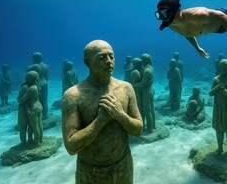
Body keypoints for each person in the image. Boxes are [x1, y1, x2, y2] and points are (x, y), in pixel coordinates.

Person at [62, 40, 143, 184]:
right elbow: (71, 146)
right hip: (90, 174)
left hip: (124, 167)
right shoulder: (73, 96)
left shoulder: (126, 88)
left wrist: (120, 115)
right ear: (87, 62)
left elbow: (138, 130)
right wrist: (100, 121)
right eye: (101, 57)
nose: (108, 61)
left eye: (111, 56)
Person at [209, 59, 227, 159]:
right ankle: (220, 148)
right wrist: (218, 87)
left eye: (225, 67)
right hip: (218, 108)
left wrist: (223, 89)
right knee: (219, 130)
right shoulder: (216, 79)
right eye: (222, 67)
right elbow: (210, 93)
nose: (223, 69)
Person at [17, 71, 43, 146]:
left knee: (29, 127)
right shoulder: (37, 86)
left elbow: (21, 100)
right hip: (38, 106)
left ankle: (31, 143)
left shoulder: (30, 88)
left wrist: (19, 98)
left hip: (32, 109)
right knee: (38, 125)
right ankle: (39, 140)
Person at [133, 54, 156, 133]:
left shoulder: (146, 71)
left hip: (147, 92)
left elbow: (142, 84)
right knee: (151, 109)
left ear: (144, 61)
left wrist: (133, 85)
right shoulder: (151, 68)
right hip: (151, 90)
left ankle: (150, 129)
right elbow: (151, 80)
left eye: (142, 60)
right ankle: (153, 125)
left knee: (147, 111)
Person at [27, 52, 49, 119]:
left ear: (34, 58)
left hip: (37, 85)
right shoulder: (46, 66)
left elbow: (28, 76)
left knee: (36, 101)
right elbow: (47, 77)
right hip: (45, 84)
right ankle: (45, 114)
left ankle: (38, 115)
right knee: (44, 100)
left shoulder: (32, 67)